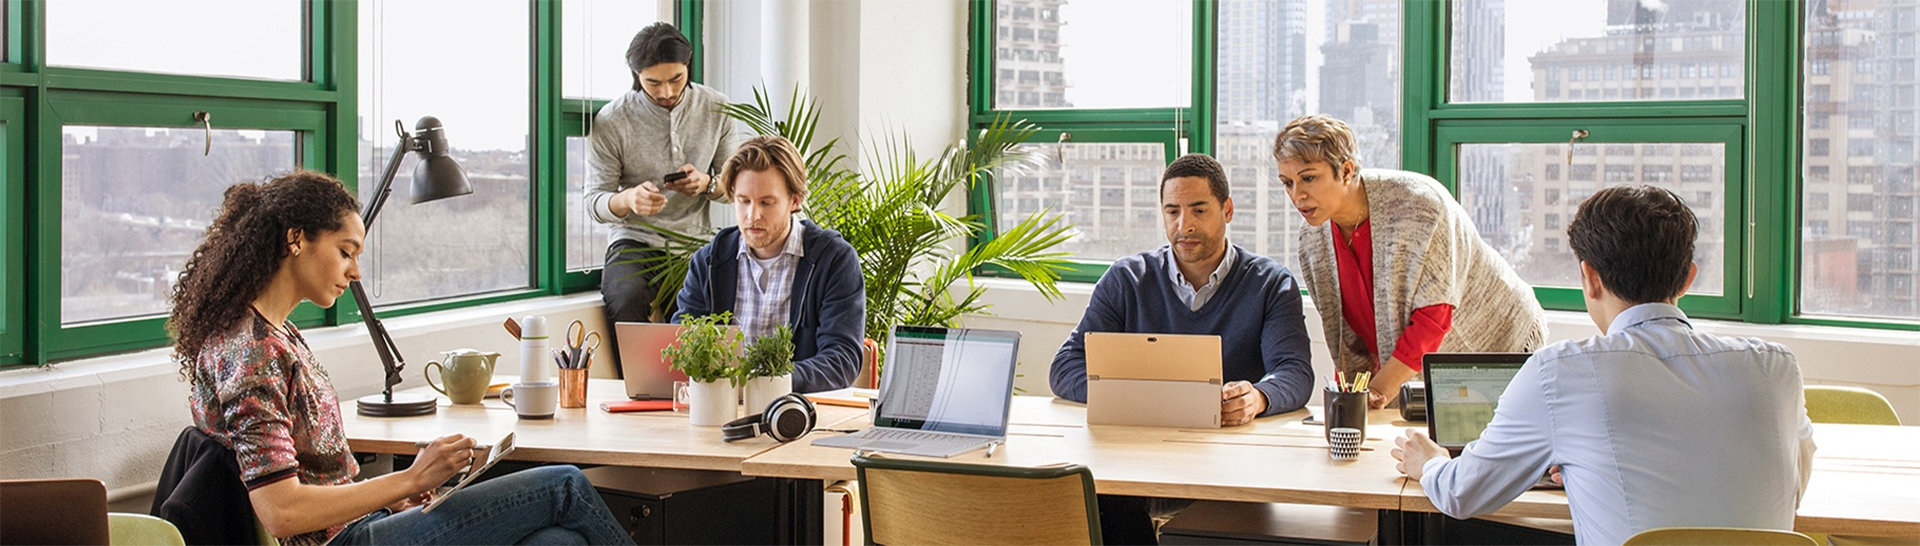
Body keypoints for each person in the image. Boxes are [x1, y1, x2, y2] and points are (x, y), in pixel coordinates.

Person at [167, 171, 631, 546]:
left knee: (558, 542)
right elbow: (281, 511)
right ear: (296, 239)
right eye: (345, 252)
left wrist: (388, 500)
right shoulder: (252, 354)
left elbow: (314, 479)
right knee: (564, 486)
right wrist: (410, 480)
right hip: (344, 542)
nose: (355, 271)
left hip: (359, 526)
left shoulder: (275, 333)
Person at [1391, 185, 1817, 544]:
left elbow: (1462, 494)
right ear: (1688, 278)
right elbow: (1790, 487)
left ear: (1590, 278)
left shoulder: (1560, 373)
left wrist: (1429, 462)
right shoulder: (1776, 369)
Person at [1050, 153, 1315, 544]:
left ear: (1227, 210)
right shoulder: (1126, 279)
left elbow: (1295, 371)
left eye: (1198, 210)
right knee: (1090, 509)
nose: (1184, 225)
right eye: (1172, 211)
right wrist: (1127, 397)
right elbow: (1065, 366)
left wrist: (1258, 397)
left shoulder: (1270, 283)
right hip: (1132, 464)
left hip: (1228, 470)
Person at [1276, 114, 1546, 408]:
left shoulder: (1420, 205)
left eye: (1308, 178)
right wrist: (1358, 400)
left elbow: (1433, 320)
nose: (1297, 195)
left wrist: (1377, 392)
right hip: (1425, 366)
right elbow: (1346, 338)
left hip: (1501, 342)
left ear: (1346, 170)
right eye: (1287, 183)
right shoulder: (1312, 239)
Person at [673, 136, 865, 393]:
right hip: (719, 403)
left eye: (766, 202)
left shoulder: (833, 260)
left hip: (796, 407)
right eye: (743, 201)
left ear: (795, 201)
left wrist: (768, 382)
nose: (753, 215)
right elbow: (683, 341)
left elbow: (842, 360)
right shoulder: (708, 262)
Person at [588, 22, 745, 324]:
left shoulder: (718, 108)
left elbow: (735, 190)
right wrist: (628, 200)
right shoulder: (612, 120)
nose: (667, 92)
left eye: (676, 79)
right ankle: (634, 361)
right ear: (636, 75)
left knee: (707, 317)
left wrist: (706, 183)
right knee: (626, 300)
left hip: (694, 243)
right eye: (653, 83)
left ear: (688, 66)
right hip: (634, 240)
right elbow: (593, 201)